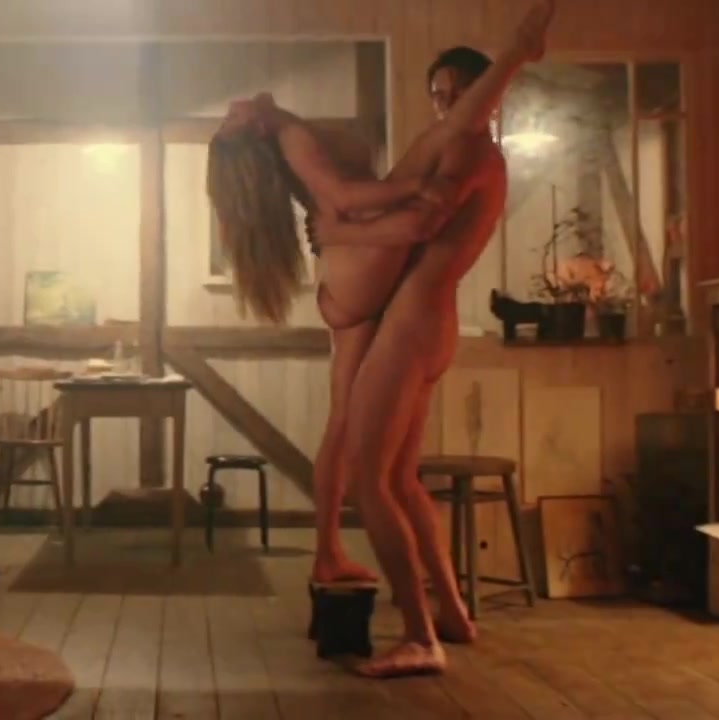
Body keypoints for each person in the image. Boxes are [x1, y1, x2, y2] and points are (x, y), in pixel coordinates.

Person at [206, 0, 554, 678]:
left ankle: (421, 637)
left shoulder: (466, 149)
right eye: (438, 93)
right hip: (419, 319)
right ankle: (451, 613)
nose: (446, 104)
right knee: (397, 477)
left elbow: (420, 223)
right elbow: (412, 195)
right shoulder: (456, 144)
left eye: (458, 92)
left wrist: (338, 231)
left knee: (371, 477)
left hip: (414, 323)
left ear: (485, 96)